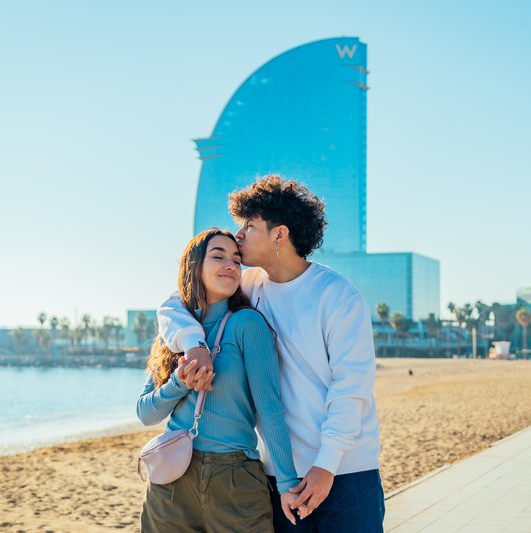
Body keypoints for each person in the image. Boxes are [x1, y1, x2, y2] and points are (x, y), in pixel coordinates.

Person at [158, 175, 384, 532]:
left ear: (279, 235)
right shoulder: (248, 286)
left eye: (249, 226)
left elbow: (351, 389)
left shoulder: (337, 295)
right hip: (278, 476)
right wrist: (194, 345)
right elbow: (176, 302)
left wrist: (326, 466)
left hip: (345, 472)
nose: (239, 236)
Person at [137, 228, 299, 532]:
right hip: (172, 481)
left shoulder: (247, 323)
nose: (231, 265)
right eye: (218, 256)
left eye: (237, 260)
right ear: (194, 266)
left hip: (235, 480)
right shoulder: (174, 334)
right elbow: (146, 414)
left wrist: (288, 482)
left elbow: (270, 407)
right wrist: (180, 381)